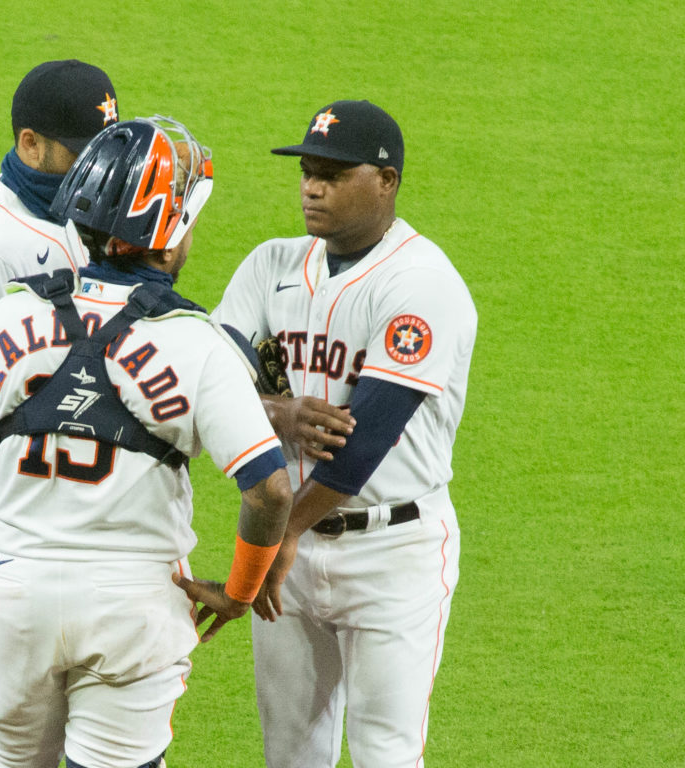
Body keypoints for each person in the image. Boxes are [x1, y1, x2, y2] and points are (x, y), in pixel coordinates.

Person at [0, 116, 293, 768]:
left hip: (16, 601)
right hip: (134, 611)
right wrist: (239, 593)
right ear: (171, 232)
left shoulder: (5, 319)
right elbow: (269, 490)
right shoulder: (199, 344)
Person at [212, 100, 477, 768]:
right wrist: (279, 412)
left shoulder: (421, 283)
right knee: (291, 755)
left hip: (392, 551)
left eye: (332, 172)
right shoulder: (269, 265)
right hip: (291, 550)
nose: (311, 186)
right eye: (307, 171)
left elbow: (366, 439)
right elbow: (203, 381)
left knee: (386, 753)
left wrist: (283, 532)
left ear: (385, 181)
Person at [0, 59, 119, 561]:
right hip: (6, 519)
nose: (99, 165)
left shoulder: (85, 210)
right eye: (82, 152)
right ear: (30, 143)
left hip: (78, 494)